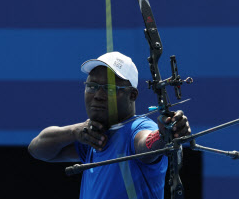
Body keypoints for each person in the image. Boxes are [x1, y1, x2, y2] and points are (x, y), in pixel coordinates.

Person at [28, 51, 191, 199]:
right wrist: (74, 132)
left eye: (110, 89)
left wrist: (164, 134)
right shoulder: (94, 138)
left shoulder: (137, 129)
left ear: (132, 95)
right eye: (92, 87)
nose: (98, 95)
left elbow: (147, 143)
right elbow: (37, 150)